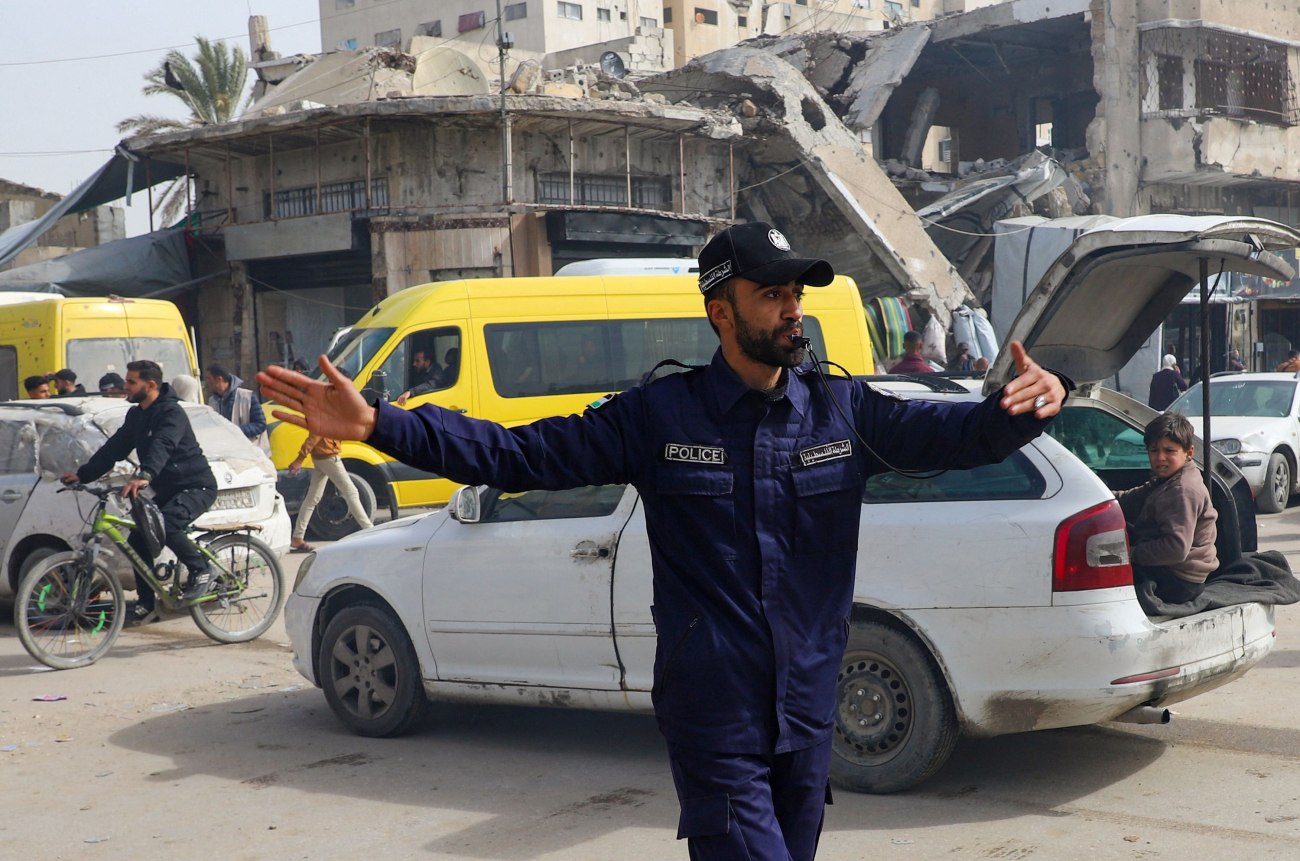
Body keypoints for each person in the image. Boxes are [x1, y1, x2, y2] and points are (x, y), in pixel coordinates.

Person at [259, 221, 1067, 861]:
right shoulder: (660, 417)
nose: (793, 309)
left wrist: (1032, 401)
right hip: (715, 715)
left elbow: (957, 434)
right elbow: (517, 453)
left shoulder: (842, 411)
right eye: (772, 294)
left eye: (795, 293)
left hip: (808, 709)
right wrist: (380, 423)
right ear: (722, 312)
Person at [62, 360, 218, 624]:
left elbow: (163, 445)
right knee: (138, 540)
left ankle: (202, 569)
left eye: (131, 382)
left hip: (195, 486)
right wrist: (83, 475)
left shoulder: (171, 413)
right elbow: (114, 449)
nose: (125, 386)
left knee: (166, 525)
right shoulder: (137, 416)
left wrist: (145, 475)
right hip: (167, 489)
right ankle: (146, 604)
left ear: (151, 385)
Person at [1115, 412, 1217, 605]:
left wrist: (1130, 553)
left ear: (1189, 453)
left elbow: (1175, 549)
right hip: (1172, 571)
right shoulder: (1166, 480)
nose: (1160, 457)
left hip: (1179, 580)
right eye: (1154, 450)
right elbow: (1129, 499)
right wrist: (1099, 496)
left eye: (1169, 451)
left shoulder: (1182, 490)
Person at [286, 433, 374, 552]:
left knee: (313, 498)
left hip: (322, 455)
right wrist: (299, 459)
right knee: (351, 492)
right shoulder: (323, 420)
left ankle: (297, 537)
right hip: (328, 456)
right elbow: (315, 435)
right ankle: (370, 530)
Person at [205, 364, 269, 451]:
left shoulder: (247, 396)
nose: (206, 382)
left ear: (219, 379)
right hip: (228, 451)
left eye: (208, 378)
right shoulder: (212, 401)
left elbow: (260, 424)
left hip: (253, 452)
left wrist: (235, 431)